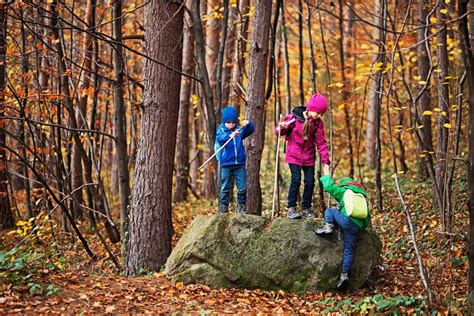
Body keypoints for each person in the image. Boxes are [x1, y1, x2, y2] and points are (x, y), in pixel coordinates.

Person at [275, 93, 331, 219]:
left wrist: (325, 161)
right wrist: (281, 127)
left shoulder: (317, 123)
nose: (319, 115)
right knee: (296, 179)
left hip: (309, 157)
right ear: (311, 108)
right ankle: (291, 208)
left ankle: (306, 208)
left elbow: (321, 142)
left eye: (321, 113)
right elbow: (279, 131)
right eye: (318, 112)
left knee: (310, 182)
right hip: (294, 155)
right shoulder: (294, 117)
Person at [315, 164, 371, 289]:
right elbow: (366, 217)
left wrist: (326, 175)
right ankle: (344, 275)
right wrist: (360, 228)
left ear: (344, 185)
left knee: (329, 210)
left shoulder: (344, 191)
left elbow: (329, 187)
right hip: (356, 227)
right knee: (349, 250)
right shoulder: (362, 197)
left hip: (346, 221)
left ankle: (328, 226)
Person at [216, 106, 254, 214]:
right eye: (228, 122)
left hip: (239, 165)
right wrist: (229, 136)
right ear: (224, 122)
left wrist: (248, 123)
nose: (231, 125)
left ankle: (241, 207)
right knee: (225, 187)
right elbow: (220, 139)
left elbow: (251, 129)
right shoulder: (221, 130)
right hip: (226, 165)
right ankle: (223, 207)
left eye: (233, 122)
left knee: (242, 188)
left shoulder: (239, 130)